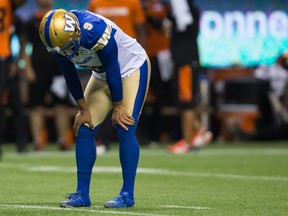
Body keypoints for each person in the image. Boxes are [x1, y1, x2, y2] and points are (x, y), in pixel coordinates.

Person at [39, 9, 150, 208]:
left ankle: (127, 194)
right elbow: (69, 73)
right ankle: (82, 194)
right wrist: (83, 109)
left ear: (76, 32)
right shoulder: (57, 39)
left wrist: (118, 106)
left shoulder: (94, 30)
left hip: (130, 67)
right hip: (101, 73)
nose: (65, 52)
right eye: (60, 49)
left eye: (67, 47)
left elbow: (114, 67)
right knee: (84, 126)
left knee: (124, 126)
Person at [23, 0, 72, 151]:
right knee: (36, 105)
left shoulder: (61, 19)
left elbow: (71, 43)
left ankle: (63, 140)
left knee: (61, 105)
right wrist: (28, 68)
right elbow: (25, 47)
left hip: (59, 67)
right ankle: (38, 141)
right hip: (38, 68)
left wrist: (68, 65)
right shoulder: (31, 21)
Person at [167, 0, 212, 154]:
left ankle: (187, 141)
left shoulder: (185, 13)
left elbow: (182, 20)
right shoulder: (188, 12)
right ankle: (199, 131)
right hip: (184, 61)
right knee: (183, 102)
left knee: (186, 103)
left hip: (185, 62)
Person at [0, 0, 27, 159]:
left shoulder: (9, 5)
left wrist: (16, 62)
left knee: (16, 103)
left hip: (7, 59)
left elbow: (21, 34)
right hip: (7, 59)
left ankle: (22, 143)